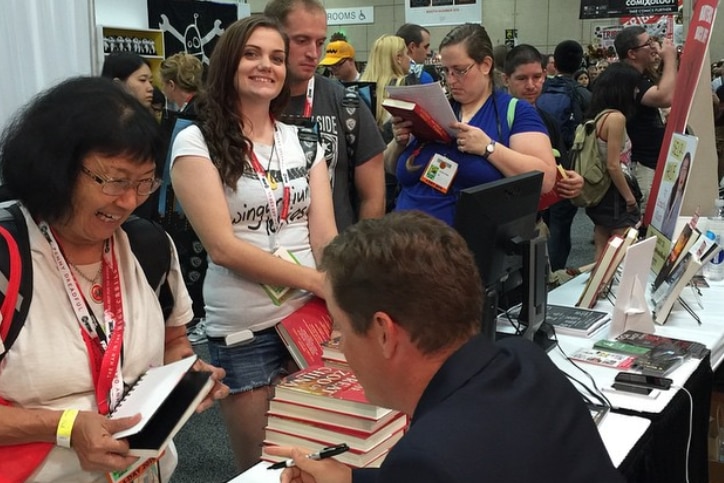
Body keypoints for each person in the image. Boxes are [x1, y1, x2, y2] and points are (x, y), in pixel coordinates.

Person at [266, 210, 625, 483]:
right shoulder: (525, 361)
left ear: (384, 333)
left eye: (341, 331)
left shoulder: (427, 457)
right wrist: (350, 478)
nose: (340, 349)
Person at [0, 76, 227, 482]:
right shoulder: (7, 257)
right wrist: (63, 426)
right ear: (56, 168)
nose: (128, 201)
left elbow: (174, 340)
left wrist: (187, 378)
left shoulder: (148, 246)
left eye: (144, 183)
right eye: (114, 180)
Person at [169, 16, 338, 471]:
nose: (267, 65)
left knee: (316, 454)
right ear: (229, 63)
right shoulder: (196, 140)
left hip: (312, 317)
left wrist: (339, 292)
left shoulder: (304, 140)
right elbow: (223, 247)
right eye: (252, 54)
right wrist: (318, 282)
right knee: (262, 467)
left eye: (277, 58)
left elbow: (323, 234)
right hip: (246, 327)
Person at [387, 23, 556, 226]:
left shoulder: (515, 111)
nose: (451, 80)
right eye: (445, 71)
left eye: (459, 71)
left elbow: (545, 179)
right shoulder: (435, 107)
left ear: (485, 65)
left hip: (464, 248)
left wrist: (488, 148)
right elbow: (389, 167)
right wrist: (399, 143)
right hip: (402, 240)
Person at [264, 0, 386, 232]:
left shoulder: (347, 104)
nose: (314, 53)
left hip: (334, 255)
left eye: (320, 42)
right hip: (262, 251)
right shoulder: (248, 103)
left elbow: (373, 198)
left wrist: (359, 260)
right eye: (301, 41)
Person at [502, 44, 584, 272]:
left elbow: (559, 167)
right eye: (522, 78)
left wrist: (573, 180)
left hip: (536, 223)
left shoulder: (547, 121)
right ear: (506, 79)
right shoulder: (495, 120)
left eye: (537, 77)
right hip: (500, 227)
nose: (531, 85)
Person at [537, 40, 592, 271]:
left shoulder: (539, 90)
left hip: (537, 163)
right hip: (568, 167)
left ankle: (538, 270)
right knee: (561, 224)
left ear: (554, 64)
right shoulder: (585, 95)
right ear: (580, 63)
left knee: (539, 221)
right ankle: (556, 273)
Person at [614, 26, 677, 214]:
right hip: (641, 164)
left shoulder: (639, 76)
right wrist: (670, 58)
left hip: (651, 160)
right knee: (646, 220)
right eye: (648, 43)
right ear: (632, 53)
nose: (654, 47)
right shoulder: (627, 78)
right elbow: (664, 97)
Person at [583, 62, 643, 260]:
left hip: (599, 191)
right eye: (634, 86)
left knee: (601, 243)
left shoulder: (598, 116)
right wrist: (630, 198)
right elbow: (613, 164)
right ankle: (612, 287)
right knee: (621, 247)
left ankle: (597, 287)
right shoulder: (616, 119)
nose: (637, 91)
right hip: (614, 191)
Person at [360, 34, 414, 213]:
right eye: (407, 54)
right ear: (398, 58)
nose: (410, 59)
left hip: (363, 180)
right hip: (396, 179)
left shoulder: (360, 91)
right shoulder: (405, 87)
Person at [160, 52, 203, 116]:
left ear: (171, 85)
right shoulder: (203, 104)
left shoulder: (192, 114)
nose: (162, 89)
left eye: (163, 84)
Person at [661, 152, 691, 238]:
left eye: (686, 170)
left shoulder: (685, 196)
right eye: (682, 168)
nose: (683, 173)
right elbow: (666, 216)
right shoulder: (674, 190)